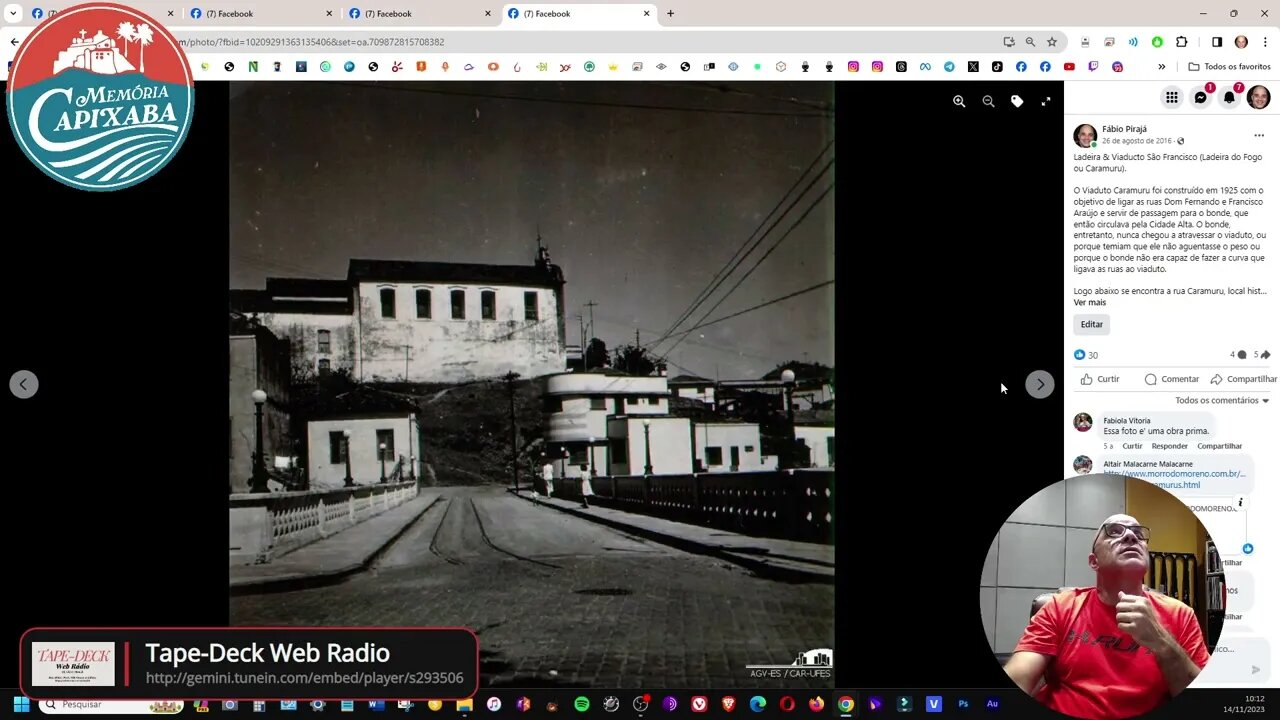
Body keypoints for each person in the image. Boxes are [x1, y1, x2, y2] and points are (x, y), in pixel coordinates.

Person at [1004, 515, 1210, 720]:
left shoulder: (1181, 614)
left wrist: (1161, 642)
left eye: (1139, 533)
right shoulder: (1059, 608)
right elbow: (1018, 679)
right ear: (1094, 561)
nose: (1131, 536)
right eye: (1114, 531)